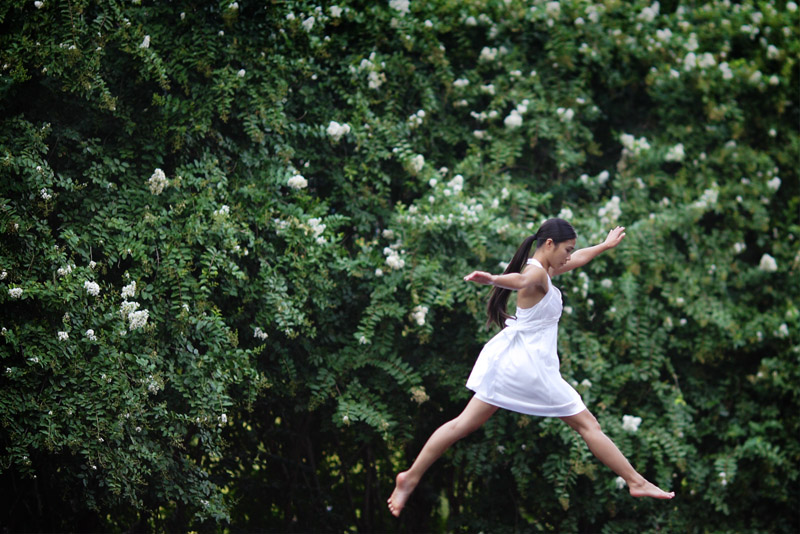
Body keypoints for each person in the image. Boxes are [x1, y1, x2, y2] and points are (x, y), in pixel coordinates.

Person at [388, 218, 674, 517]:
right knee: (588, 425)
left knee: (462, 425)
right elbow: (521, 281)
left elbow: (576, 259)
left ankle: (410, 476)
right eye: (566, 249)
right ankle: (635, 481)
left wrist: (604, 245)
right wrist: (493, 279)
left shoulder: (547, 268)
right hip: (529, 368)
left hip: (515, 364)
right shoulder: (535, 272)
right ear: (549, 244)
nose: (568, 255)